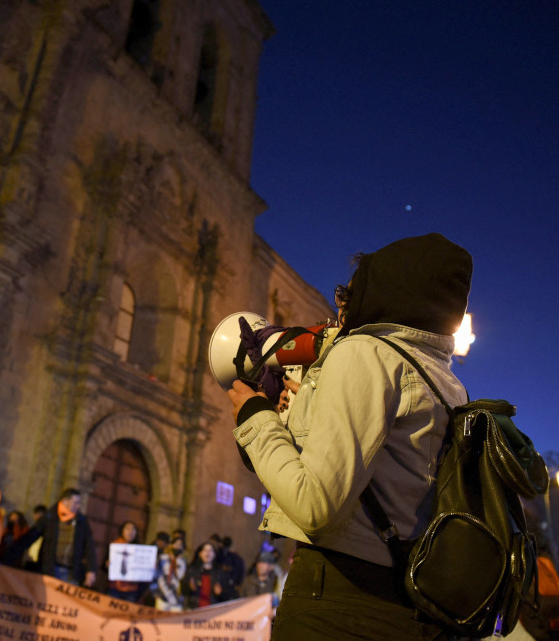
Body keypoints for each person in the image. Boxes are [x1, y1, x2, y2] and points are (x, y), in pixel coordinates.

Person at [226, 233, 472, 638]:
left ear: (391, 291)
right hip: (400, 600)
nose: (340, 305)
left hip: (338, 601)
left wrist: (255, 417)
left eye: (350, 292)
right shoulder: (446, 381)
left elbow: (315, 504)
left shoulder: (366, 354)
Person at [8, 488, 97, 588]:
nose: (78, 506)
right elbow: (29, 538)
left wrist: (91, 570)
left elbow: (89, 546)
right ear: (65, 501)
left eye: (79, 503)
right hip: (50, 570)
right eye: (75, 502)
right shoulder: (49, 517)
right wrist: (7, 559)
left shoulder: (81, 521)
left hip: (71, 573)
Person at [184, 541, 231, 609]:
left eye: (210, 550)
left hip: (213, 611)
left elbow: (227, 597)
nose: (208, 553)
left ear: (214, 554)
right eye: (205, 550)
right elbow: (183, 592)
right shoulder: (192, 570)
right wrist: (189, 587)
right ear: (200, 554)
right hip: (194, 610)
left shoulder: (220, 573)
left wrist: (220, 594)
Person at [105, 521, 142, 602]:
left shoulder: (140, 549)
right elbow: (103, 566)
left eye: (133, 530)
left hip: (131, 590)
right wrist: (107, 564)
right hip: (114, 588)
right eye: (128, 529)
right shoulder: (114, 546)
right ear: (122, 531)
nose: (130, 532)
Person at [153, 535, 188, 611]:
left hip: (176, 597)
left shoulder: (183, 562)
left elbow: (180, 576)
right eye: (176, 544)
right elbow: (155, 575)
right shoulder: (162, 558)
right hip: (162, 594)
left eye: (180, 545)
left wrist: (177, 561)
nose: (178, 547)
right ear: (171, 545)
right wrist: (155, 592)